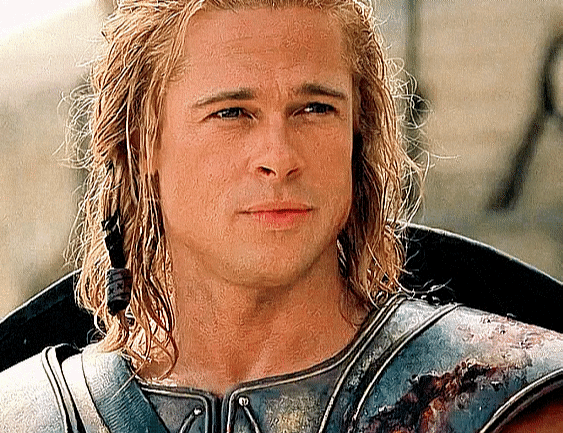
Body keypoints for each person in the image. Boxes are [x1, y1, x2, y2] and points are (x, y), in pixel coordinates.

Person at [1, 0, 563, 431]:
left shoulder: (504, 401)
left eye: (314, 108)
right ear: (141, 144)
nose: (280, 156)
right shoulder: (23, 417)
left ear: (357, 133)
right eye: (232, 112)